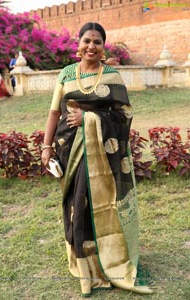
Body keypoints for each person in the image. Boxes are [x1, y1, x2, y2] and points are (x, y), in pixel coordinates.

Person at [41, 22, 153, 297]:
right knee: (76, 206)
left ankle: (109, 263)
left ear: (104, 47)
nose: (91, 46)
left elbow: (123, 114)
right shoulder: (67, 74)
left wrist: (88, 119)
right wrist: (46, 147)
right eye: (87, 41)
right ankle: (85, 268)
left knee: (103, 206)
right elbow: (54, 113)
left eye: (97, 42)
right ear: (78, 44)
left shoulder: (112, 76)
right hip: (71, 149)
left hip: (102, 154)